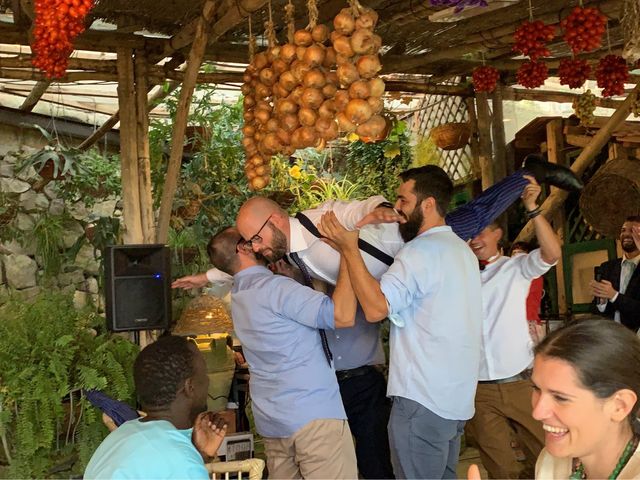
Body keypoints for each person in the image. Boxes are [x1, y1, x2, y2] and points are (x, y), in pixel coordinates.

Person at [174, 155, 582, 478]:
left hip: (401, 248)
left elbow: (359, 209)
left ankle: (528, 172)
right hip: (402, 294)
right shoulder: (282, 255)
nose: (257, 247)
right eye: (251, 243)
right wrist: (209, 274)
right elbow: (243, 262)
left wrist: (385, 210)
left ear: (276, 221)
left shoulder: (318, 223)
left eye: (258, 238)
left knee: (470, 219)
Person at [319, 165, 483, 479]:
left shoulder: (418, 253)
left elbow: (375, 309)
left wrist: (350, 249)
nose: (397, 209)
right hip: (455, 403)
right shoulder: (463, 252)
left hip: (422, 401)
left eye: (404, 201)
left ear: (429, 204)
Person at [207, 226, 358, 479]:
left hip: (273, 421)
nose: (258, 242)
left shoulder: (240, 296)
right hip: (313, 416)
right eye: (251, 238)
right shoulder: (276, 289)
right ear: (243, 248)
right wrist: (348, 253)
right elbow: (340, 315)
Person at [465, 175, 561, 479]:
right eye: (469, 234)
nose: (474, 239)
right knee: (500, 468)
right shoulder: (457, 278)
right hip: (479, 390)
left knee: (548, 457)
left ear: (498, 234)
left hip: (521, 382)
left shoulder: (514, 268)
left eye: (481, 232)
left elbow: (552, 254)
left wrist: (532, 208)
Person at [84, 335, 227, 479]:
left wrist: (199, 454)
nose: (208, 381)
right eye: (204, 374)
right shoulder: (182, 463)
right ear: (190, 387)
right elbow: (176, 466)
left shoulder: (122, 435)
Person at [532, 319, 640, 479]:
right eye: (536, 389)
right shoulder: (551, 462)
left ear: (619, 406)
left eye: (560, 398)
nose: (537, 413)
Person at [590, 216, 640, 333]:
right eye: (623, 230)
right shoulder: (607, 267)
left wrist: (614, 296)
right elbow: (595, 310)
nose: (627, 234)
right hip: (612, 338)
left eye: (633, 231)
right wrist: (601, 303)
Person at [511, 240, 546, 344]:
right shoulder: (512, 275)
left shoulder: (534, 275)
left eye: (520, 254)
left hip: (528, 321)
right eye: (514, 254)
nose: (516, 257)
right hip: (517, 321)